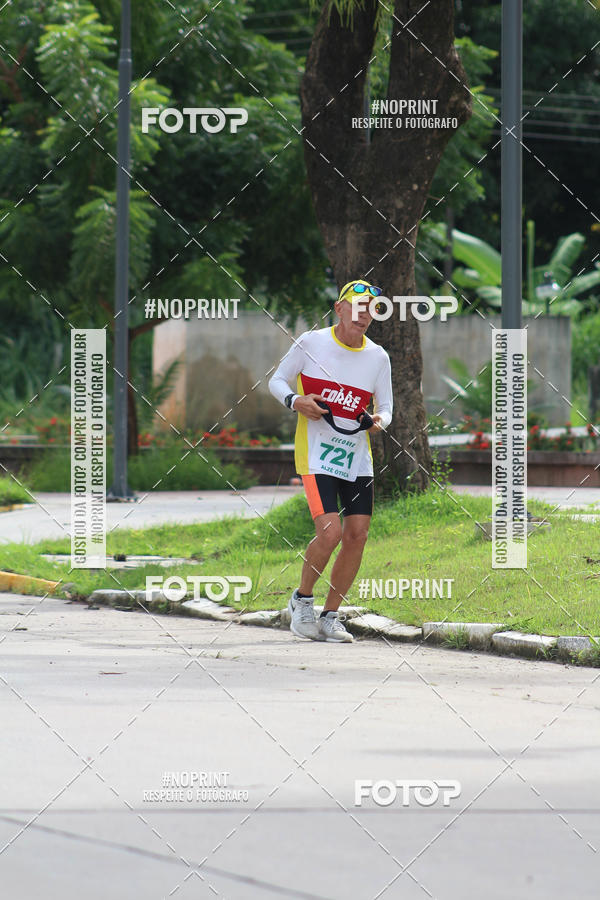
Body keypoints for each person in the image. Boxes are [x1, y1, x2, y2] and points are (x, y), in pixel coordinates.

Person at [268, 279, 393, 642]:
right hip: (317, 455)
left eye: (371, 310)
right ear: (339, 309)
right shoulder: (311, 343)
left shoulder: (378, 357)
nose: (363, 315)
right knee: (331, 532)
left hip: (356, 458)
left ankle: (331, 616)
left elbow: (386, 407)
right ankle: (302, 601)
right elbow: (277, 380)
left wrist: (380, 421)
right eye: (357, 307)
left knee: (357, 536)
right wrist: (296, 401)